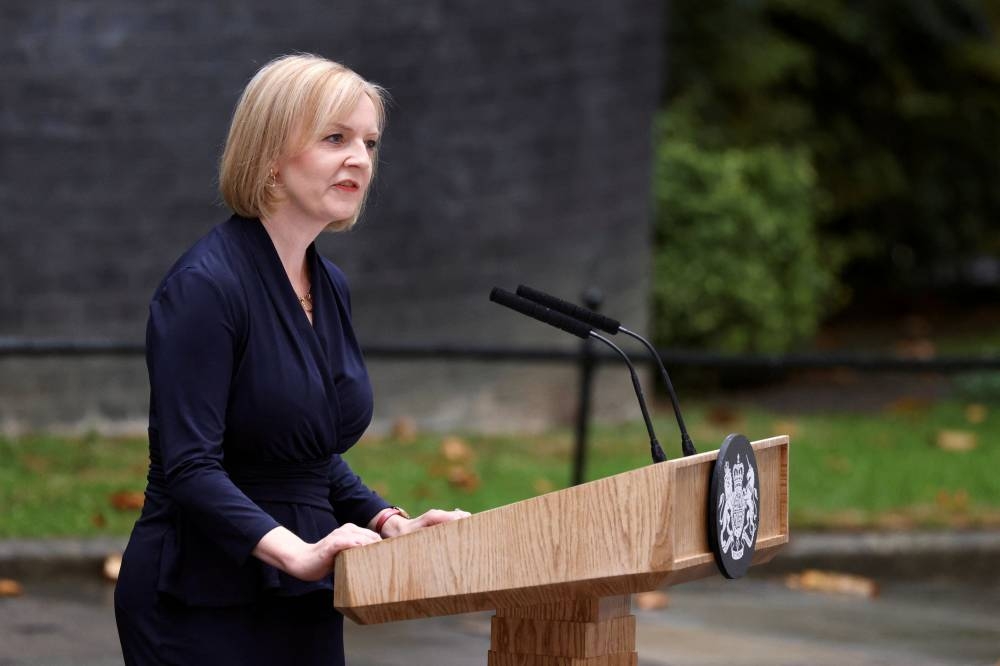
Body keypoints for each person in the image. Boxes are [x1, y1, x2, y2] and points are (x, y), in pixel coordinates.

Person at [114, 53, 470, 665]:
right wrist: (295, 552)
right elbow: (189, 464)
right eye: (335, 138)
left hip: (300, 588)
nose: (359, 157)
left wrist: (388, 521)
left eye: (368, 142)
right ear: (270, 154)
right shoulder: (206, 286)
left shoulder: (328, 283)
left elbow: (304, 454)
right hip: (200, 595)